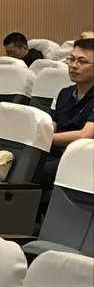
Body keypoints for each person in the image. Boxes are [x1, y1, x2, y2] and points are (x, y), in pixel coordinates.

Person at [40, 38, 94, 193]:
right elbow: (51, 125)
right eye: (71, 59)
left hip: (80, 159)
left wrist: (45, 138)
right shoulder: (64, 93)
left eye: (82, 62)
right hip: (55, 152)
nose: (73, 65)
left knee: (32, 173)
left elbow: (85, 135)